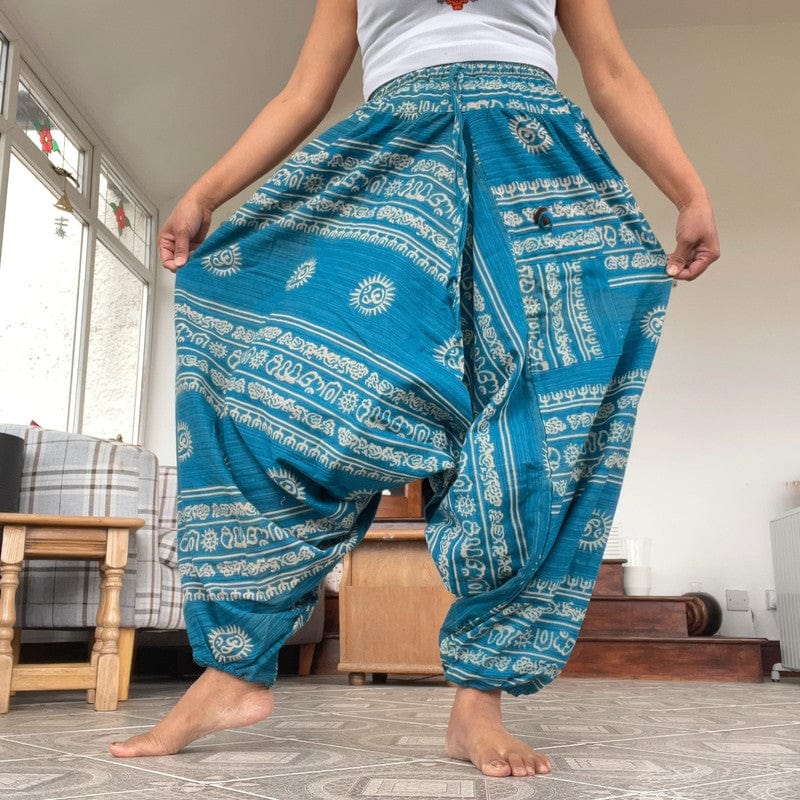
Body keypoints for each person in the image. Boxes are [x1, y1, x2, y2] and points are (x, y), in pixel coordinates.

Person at [110, 0, 719, 778]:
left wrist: (688, 190)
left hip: (532, 164)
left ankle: (478, 704)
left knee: (530, 439)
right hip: (392, 160)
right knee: (290, 402)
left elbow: (612, 72)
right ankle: (233, 671)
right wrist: (206, 189)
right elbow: (305, 91)